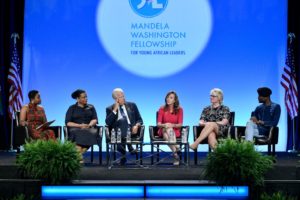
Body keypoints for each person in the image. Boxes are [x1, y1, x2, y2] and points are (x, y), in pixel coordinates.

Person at [105, 88, 143, 165]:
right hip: (116, 133)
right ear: (115, 99)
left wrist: (136, 125)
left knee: (124, 121)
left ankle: (122, 151)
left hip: (131, 131)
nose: (123, 97)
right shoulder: (109, 109)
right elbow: (108, 123)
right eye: (120, 96)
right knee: (122, 122)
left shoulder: (132, 105)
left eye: (123, 95)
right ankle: (129, 147)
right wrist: (115, 109)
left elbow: (140, 120)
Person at [65, 89, 98, 163]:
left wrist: (89, 125)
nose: (86, 99)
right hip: (76, 129)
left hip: (89, 128)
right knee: (77, 132)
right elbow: (68, 123)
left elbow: (95, 119)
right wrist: (80, 125)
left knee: (91, 132)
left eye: (86, 97)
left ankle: (77, 156)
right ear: (77, 98)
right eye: (83, 97)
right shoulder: (72, 108)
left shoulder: (91, 107)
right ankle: (79, 157)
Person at [157, 91, 183, 165]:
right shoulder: (162, 108)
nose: (168, 99)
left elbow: (180, 124)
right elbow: (158, 124)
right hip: (162, 129)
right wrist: (165, 125)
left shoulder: (180, 109)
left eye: (171, 98)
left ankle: (175, 155)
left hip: (175, 131)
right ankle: (176, 148)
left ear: (175, 100)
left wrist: (172, 125)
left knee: (167, 134)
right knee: (167, 129)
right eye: (167, 97)